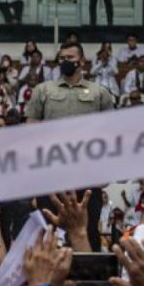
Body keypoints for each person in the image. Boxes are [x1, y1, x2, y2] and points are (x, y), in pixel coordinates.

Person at [25, 41, 115, 249]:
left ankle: (88, 278)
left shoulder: (99, 92)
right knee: (48, 230)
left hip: (87, 173)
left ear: (82, 61)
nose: (65, 62)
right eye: (62, 58)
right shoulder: (43, 90)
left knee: (89, 229)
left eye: (70, 58)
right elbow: (31, 132)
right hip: (51, 172)